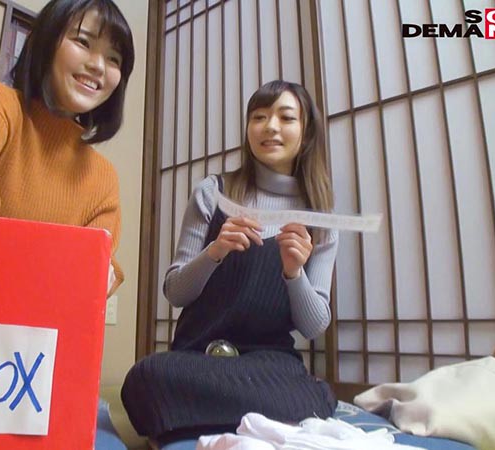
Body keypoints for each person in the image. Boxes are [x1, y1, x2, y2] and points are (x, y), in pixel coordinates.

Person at [121, 80, 339, 446]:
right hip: (199, 358)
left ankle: (192, 423)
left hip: (267, 365)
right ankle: (264, 420)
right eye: (259, 117)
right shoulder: (214, 192)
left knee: (316, 392)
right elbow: (175, 291)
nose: (270, 127)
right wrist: (215, 252)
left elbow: (313, 324)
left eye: (286, 118)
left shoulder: (320, 217)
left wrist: (294, 273)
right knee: (146, 376)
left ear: (306, 132)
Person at [0, 0, 135, 296]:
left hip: (42, 325)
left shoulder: (104, 178)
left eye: (114, 59)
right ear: (46, 40)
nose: (98, 65)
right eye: (83, 42)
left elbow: (87, 287)